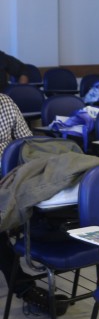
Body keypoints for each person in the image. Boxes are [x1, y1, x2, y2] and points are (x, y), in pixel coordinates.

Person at [0, 93, 34, 292]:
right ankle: (22, 286)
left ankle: (44, 254)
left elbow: (27, 142)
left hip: (12, 174)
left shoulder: (5, 102)